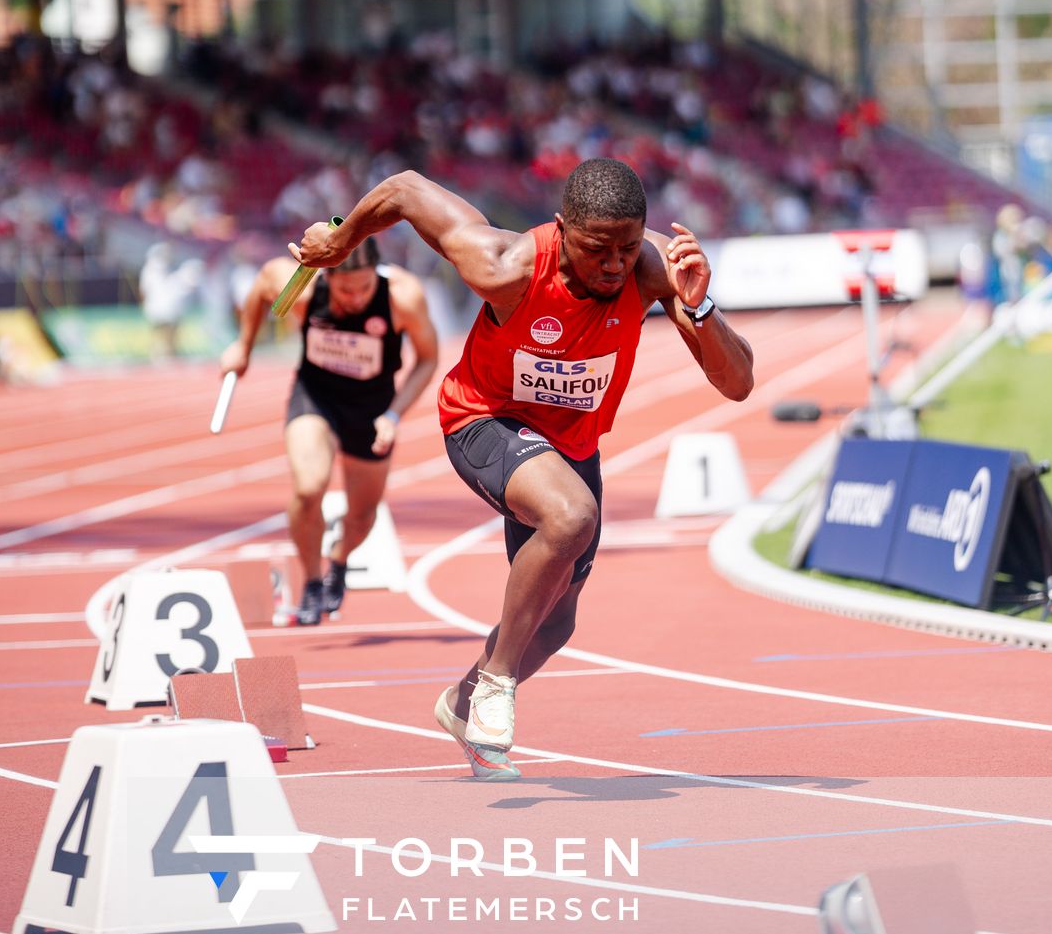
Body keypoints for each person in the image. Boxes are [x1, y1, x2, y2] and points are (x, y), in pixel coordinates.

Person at [291, 159, 754, 778]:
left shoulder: (654, 268)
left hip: (571, 444)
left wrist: (698, 310)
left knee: (556, 621)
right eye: (597, 251)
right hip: (484, 419)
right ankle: (496, 682)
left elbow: (739, 385)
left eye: (626, 247)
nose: (615, 265)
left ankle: (461, 704)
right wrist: (342, 238)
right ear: (562, 230)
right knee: (571, 517)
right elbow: (404, 189)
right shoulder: (504, 264)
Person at [220, 237, 438, 624]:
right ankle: (312, 581)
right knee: (308, 488)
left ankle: (339, 560)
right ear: (327, 277)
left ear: (378, 275)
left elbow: (427, 358)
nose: (354, 298)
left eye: (364, 288)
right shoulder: (303, 286)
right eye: (344, 290)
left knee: (362, 514)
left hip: (373, 409)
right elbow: (261, 288)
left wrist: (394, 415)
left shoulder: (402, 296)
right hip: (316, 396)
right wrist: (243, 345)